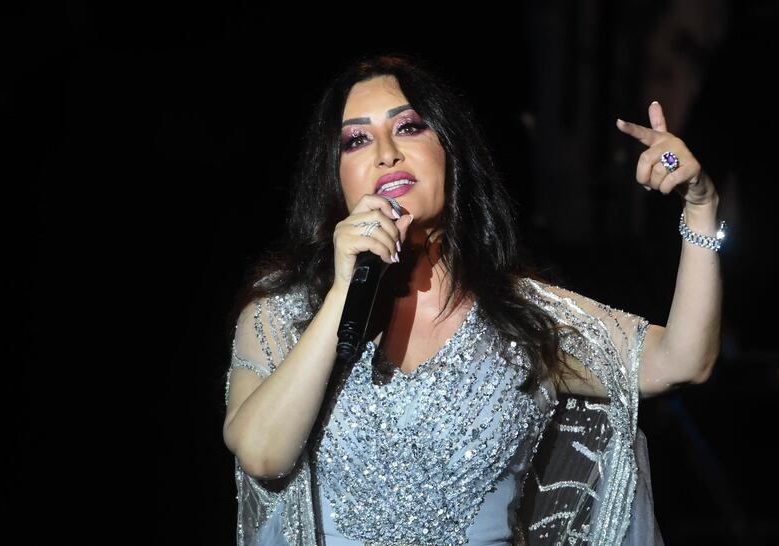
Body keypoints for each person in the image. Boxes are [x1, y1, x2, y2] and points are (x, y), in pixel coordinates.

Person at [222, 53, 724, 545]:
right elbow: (263, 455)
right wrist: (341, 291)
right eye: (356, 139)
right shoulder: (280, 315)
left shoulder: (522, 317)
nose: (385, 152)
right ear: (336, 177)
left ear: (450, 151)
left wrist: (700, 208)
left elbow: (680, 360)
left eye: (409, 127)